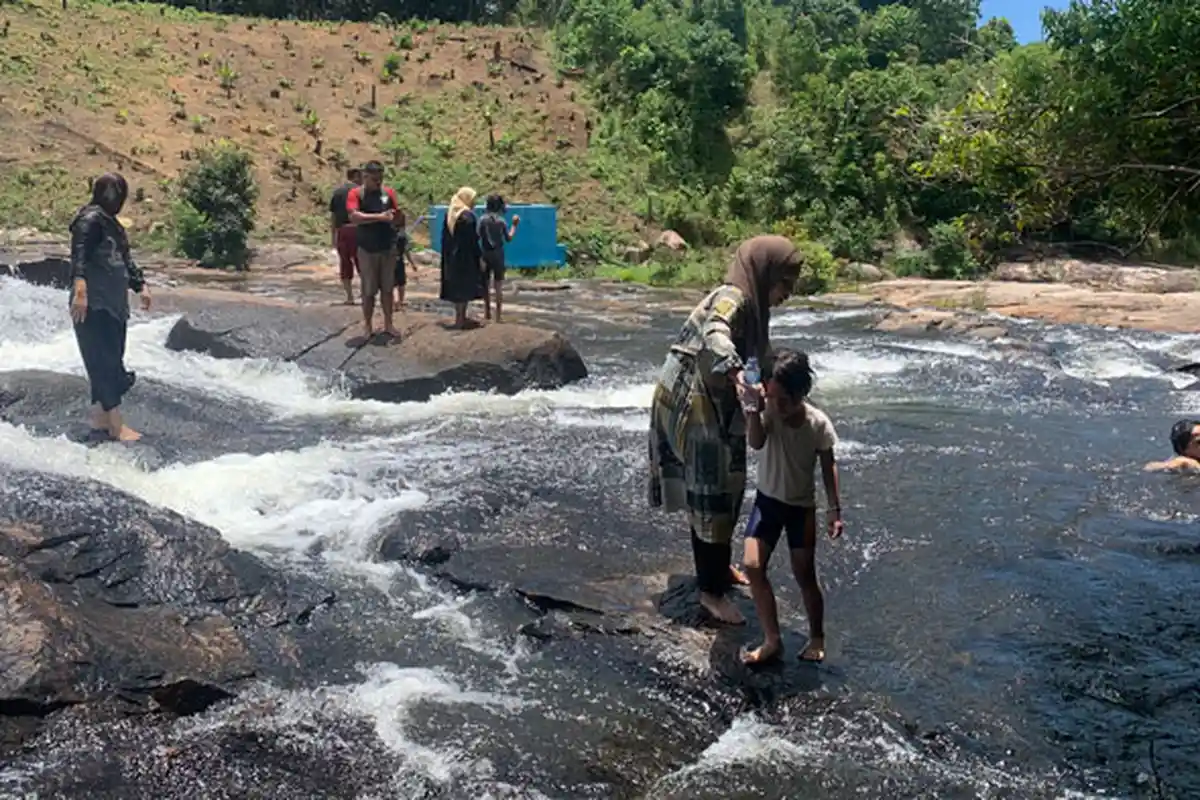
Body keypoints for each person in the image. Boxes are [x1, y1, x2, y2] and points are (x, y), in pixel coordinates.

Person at [648, 235, 804, 625]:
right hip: (693, 406)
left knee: (727, 490)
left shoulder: (751, 308)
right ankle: (710, 592)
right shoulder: (733, 297)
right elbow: (716, 332)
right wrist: (737, 374)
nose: (789, 293)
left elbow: (759, 359)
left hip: (708, 403)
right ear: (765, 274)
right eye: (786, 283)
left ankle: (717, 569)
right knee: (711, 493)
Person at [740, 349, 843, 665]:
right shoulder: (768, 411)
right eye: (773, 396)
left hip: (800, 508)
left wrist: (834, 510)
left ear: (801, 394)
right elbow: (756, 442)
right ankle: (772, 639)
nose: (778, 405)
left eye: (785, 399)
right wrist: (753, 410)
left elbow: (828, 467)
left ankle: (817, 637)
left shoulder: (817, 424)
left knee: (804, 575)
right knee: (753, 566)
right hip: (768, 502)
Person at [67, 173, 152, 442]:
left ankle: (100, 417)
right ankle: (115, 424)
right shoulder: (89, 221)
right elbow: (78, 253)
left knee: (112, 359)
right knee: (102, 360)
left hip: (114, 304)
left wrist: (141, 286)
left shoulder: (113, 225)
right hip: (94, 303)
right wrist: (80, 287)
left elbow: (125, 259)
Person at [346, 161, 400, 339]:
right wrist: (379, 218)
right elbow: (354, 217)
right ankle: (368, 325)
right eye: (375, 179)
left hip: (387, 247)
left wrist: (397, 220)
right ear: (365, 177)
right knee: (368, 290)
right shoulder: (356, 194)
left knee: (387, 288)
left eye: (381, 178)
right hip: (367, 249)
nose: (378, 182)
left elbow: (396, 215)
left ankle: (388, 324)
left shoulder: (388, 193)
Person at [439, 186, 484, 329]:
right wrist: (479, 257)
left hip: (452, 256)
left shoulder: (451, 214)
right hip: (465, 258)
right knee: (464, 287)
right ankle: (461, 319)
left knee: (457, 288)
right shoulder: (467, 217)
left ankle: (459, 317)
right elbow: (472, 240)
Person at [478, 194, 519, 323]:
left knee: (485, 284)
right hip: (498, 254)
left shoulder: (482, 220)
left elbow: (477, 237)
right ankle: (499, 316)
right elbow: (509, 238)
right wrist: (514, 225)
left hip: (485, 253)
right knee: (498, 285)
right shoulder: (501, 221)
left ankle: (487, 313)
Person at [329, 166, 362, 305]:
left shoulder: (338, 192)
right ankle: (365, 295)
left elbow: (333, 216)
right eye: (361, 177)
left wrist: (333, 236)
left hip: (343, 230)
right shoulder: (362, 192)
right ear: (355, 176)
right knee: (363, 263)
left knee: (345, 263)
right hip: (359, 230)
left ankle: (350, 297)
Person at [393, 209, 418, 310]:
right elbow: (406, 250)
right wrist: (412, 263)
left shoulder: (388, 233)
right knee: (401, 282)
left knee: (391, 283)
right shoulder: (403, 235)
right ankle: (400, 301)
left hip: (389, 261)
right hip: (399, 261)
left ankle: (393, 302)